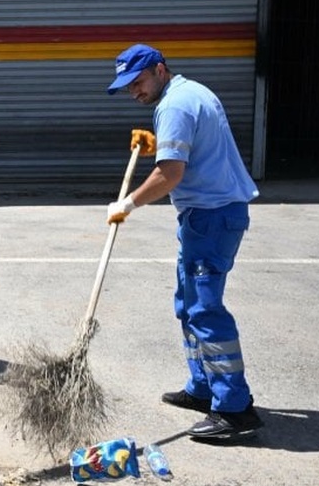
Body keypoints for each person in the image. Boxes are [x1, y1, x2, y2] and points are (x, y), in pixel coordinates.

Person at [106, 43, 262, 439]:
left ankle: (235, 410)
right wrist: (158, 149)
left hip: (212, 217)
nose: (134, 92)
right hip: (207, 215)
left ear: (160, 69)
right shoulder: (191, 92)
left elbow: (170, 174)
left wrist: (128, 203)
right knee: (188, 305)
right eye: (128, 87)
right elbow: (192, 152)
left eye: (138, 82)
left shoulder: (174, 106)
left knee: (204, 311)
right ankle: (203, 387)